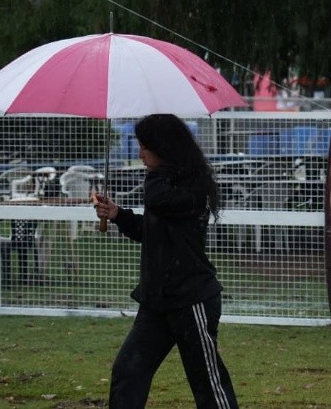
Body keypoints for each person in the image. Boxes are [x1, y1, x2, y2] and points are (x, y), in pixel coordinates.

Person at [93, 114, 238, 409]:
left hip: (191, 299)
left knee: (208, 383)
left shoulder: (189, 187)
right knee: (128, 372)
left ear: (163, 146)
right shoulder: (166, 183)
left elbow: (156, 199)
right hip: (158, 302)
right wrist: (118, 215)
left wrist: (153, 177)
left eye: (145, 146)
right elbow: (153, 231)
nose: (139, 153)